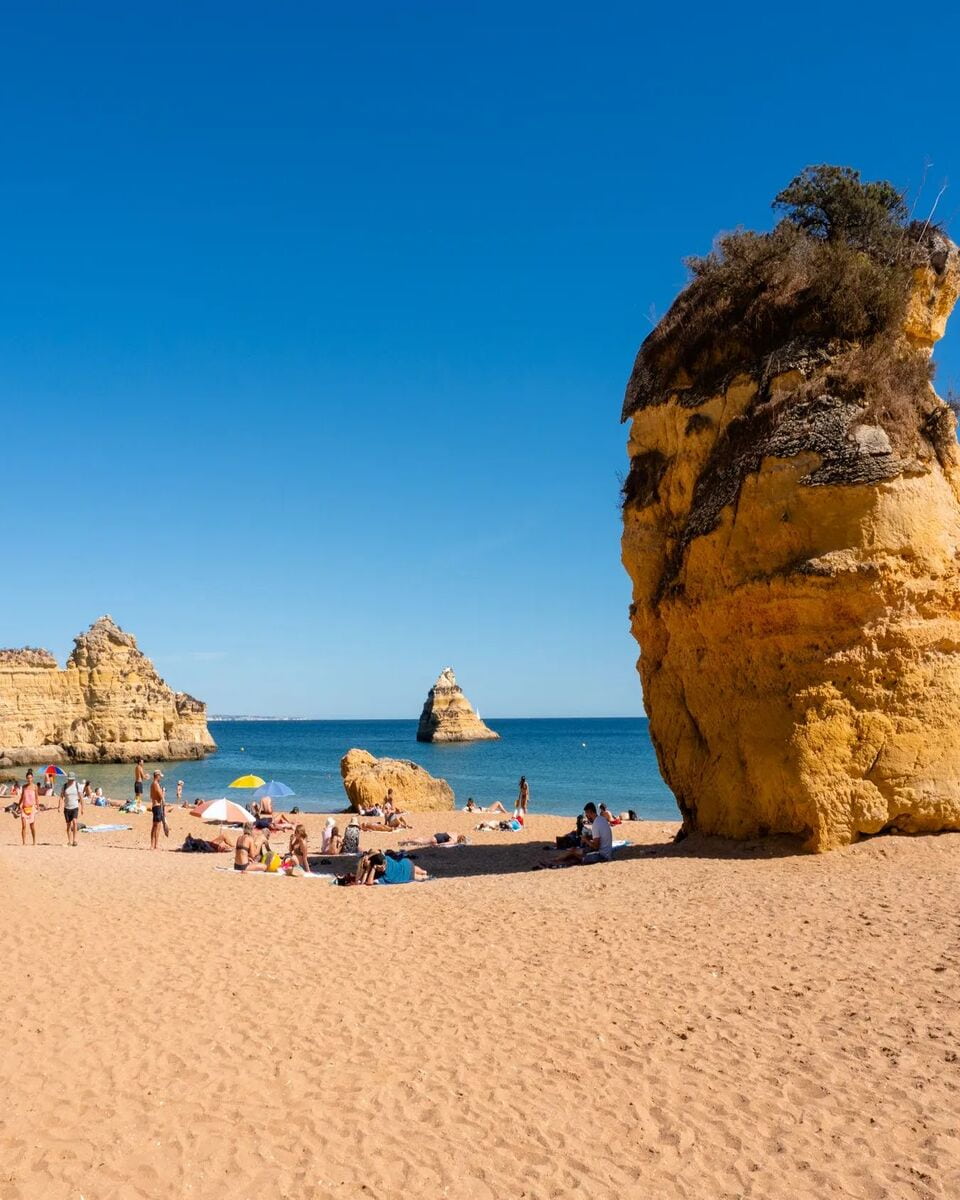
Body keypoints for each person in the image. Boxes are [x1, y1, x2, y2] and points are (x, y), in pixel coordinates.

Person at [540, 803, 613, 867]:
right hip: (607, 852)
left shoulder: (596, 824)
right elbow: (599, 837)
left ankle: (553, 861)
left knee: (574, 854)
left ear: (590, 812)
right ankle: (555, 861)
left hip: (602, 856)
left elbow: (596, 846)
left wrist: (585, 840)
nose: (587, 817)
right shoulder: (601, 819)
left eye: (587, 815)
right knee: (574, 851)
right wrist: (588, 837)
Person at [356, 850, 428, 885]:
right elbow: (378, 853)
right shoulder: (385, 858)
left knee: (421, 877)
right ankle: (424, 872)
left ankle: (426, 876)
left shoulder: (383, 877)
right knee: (421, 872)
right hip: (407, 864)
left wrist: (371, 868)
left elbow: (369, 883)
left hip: (407, 875)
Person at [60, 771, 84, 846]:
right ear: (68, 779)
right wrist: (59, 806)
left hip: (75, 807)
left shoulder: (77, 785)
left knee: (74, 822)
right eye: (70, 779)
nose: (71, 781)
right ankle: (69, 841)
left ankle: (74, 840)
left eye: (72, 779)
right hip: (67, 808)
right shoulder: (64, 786)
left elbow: (81, 797)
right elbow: (61, 797)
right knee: (68, 825)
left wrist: (82, 808)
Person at [20, 769, 38, 845]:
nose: (29, 779)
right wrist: (18, 805)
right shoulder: (24, 787)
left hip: (32, 808)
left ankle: (34, 841)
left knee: (32, 826)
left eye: (30, 778)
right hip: (24, 808)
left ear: (32, 778)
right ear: (26, 778)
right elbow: (21, 797)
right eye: (28, 778)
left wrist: (38, 806)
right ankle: (24, 842)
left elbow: (37, 797)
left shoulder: (35, 787)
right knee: (24, 826)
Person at [149, 771, 166, 850]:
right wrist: (163, 792)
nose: (160, 778)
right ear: (157, 776)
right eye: (160, 776)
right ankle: (155, 845)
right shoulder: (156, 784)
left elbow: (151, 796)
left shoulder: (152, 784)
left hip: (154, 806)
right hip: (157, 806)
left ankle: (152, 845)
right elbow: (161, 797)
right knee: (157, 826)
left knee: (154, 826)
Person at [398, 832, 468, 848]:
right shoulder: (455, 840)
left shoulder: (455, 833)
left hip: (438, 835)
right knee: (422, 842)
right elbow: (447, 844)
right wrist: (439, 845)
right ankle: (406, 841)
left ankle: (408, 840)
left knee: (422, 839)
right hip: (437, 840)